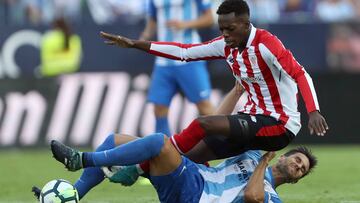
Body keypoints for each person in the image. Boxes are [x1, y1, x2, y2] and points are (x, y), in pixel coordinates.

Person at [99, 0, 328, 161]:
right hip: (250, 118)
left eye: (230, 29)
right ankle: (145, 168)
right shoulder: (225, 45)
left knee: (204, 123)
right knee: (189, 159)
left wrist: (313, 111)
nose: (225, 34)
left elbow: (300, 74)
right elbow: (184, 52)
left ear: (246, 25)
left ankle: (160, 150)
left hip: (279, 124)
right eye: (221, 29)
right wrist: (135, 44)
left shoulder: (266, 43)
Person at [48, 131, 317, 202]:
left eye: (301, 169)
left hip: (196, 196)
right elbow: (214, 126)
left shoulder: (271, 195)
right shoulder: (252, 152)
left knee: (158, 142)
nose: (297, 165)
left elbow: (251, 196)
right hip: (193, 176)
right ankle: (73, 197)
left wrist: (263, 164)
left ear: (295, 180)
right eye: (297, 159)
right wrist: (236, 92)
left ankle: (80, 160)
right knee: (112, 141)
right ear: (283, 155)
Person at [139, 0, 215, 136]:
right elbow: (153, 20)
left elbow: (209, 18)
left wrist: (185, 24)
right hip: (163, 60)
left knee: (204, 106)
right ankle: (164, 152)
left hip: (189, 56)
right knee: (159, 107)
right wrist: (142, 38)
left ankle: (231, 147)